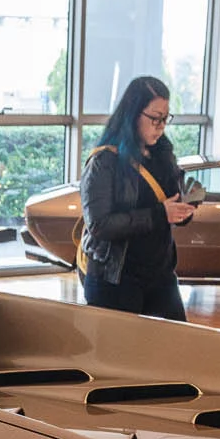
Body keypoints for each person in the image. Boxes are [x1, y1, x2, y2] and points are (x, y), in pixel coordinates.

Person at [78, 76, 196, 321]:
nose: (161, 126)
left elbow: (168, 202)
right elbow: (99, 224)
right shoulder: (104, 161)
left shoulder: (162, 153)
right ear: (132, 114)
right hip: (116, 278)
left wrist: (182, 210)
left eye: (165, 118)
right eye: (155, 118)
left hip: (160, 275)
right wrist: (159, 214)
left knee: (176, 349)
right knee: (120, 356)